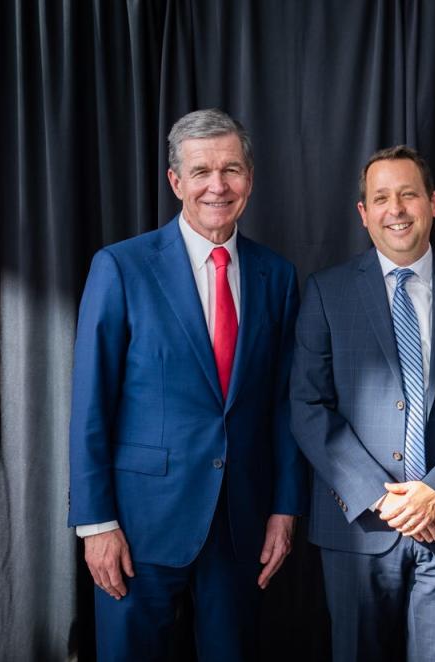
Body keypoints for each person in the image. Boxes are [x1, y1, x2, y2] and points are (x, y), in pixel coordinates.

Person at [67, 108, 307, 660]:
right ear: (176, 181)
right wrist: (95, 523)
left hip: (242, 522)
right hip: (137, 525)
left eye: (232, 169)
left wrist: (285, 507)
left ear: (249, 178)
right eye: (201, 171)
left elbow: (282, 403)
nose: (217, 186)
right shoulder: (121, 267)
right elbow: (90, 407)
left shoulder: (277, 275)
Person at [290, 145, 435, 661]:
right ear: (363, 213)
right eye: (381, 198)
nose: (395, 209)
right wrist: (382, 496)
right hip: (359, 527)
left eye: (408, 195)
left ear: (434, 202)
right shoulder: (326, 293)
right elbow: (308, 405)